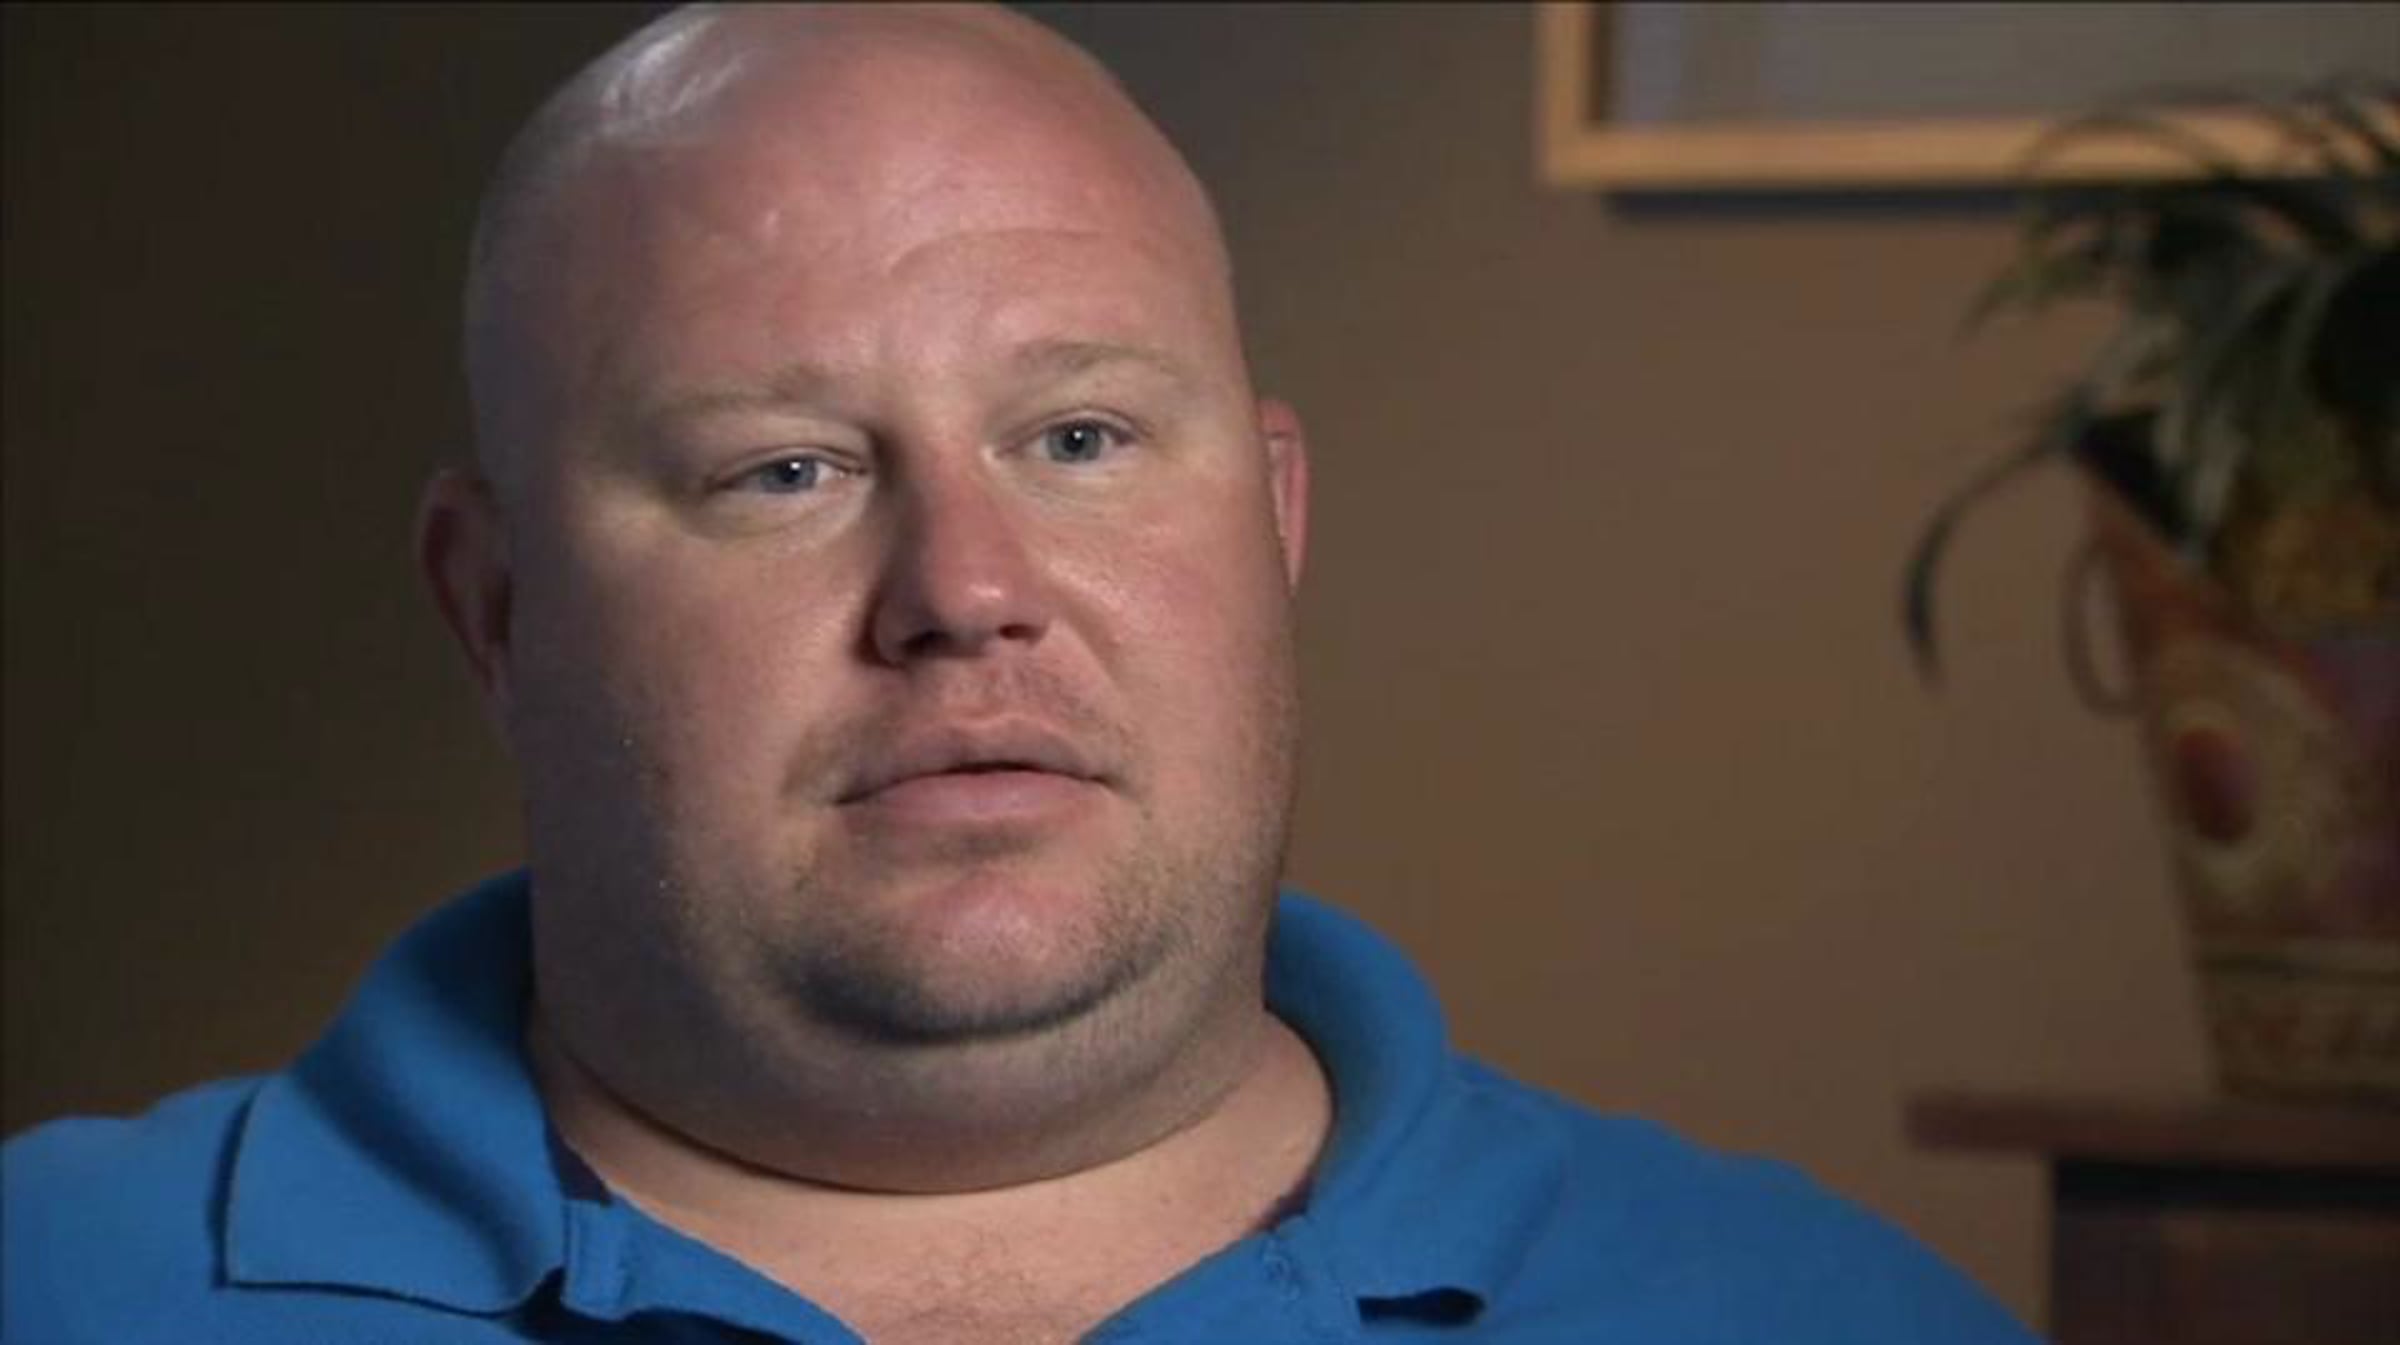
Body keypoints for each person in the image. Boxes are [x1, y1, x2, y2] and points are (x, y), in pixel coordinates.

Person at [2, 6, 2037, 1342]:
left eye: (1078, 437)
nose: (965, 592)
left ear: (1274, 522)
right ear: (497, 607)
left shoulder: (1826, 1314)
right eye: (782, 469)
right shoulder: (59, 1285)